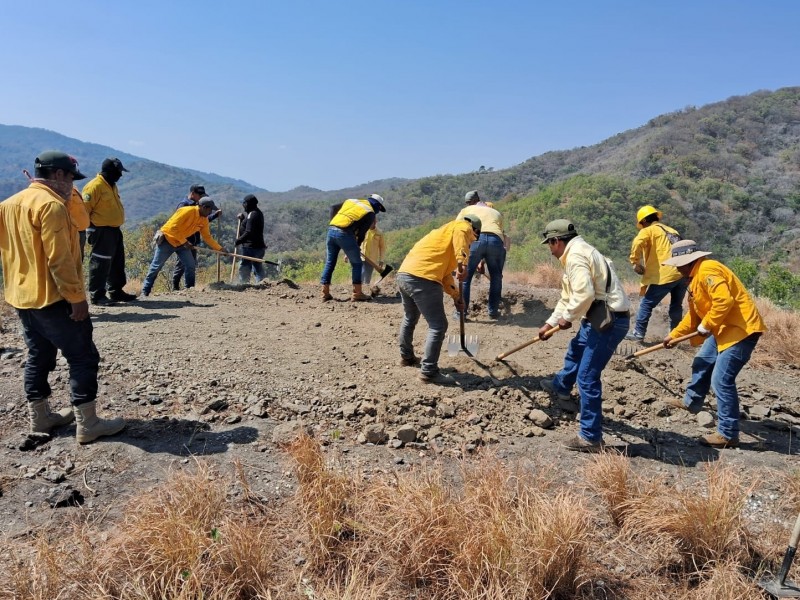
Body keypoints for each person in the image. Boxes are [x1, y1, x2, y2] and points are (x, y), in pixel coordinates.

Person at [0, 151, 125, 443]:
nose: (73, 185)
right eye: (71, 178)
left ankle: (40, 418)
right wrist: (77, 298)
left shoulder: (8, 205)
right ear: (58, 175)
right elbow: (61, 260)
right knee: (83, 356)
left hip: (22, 297)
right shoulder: (52, 207)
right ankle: (88, 423)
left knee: (38, 355)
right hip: (54, 298)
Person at [661, 240, 766, 449]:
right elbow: (693, 317)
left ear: (688, 261)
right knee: (703, 360)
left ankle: (728, 434)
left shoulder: (708, 270)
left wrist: (707, 325)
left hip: (741, 331)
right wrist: (674, 335)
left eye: (678, 264)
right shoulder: (695, 279)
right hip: (722, 330)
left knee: (722, 380)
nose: (677, 268)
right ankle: (692, 401)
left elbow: (723, 301)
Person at [537, 219, 630, 452]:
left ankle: (591, 437)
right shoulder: (579, 252)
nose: (550, 249)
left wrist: (567, 318)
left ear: (557, 241)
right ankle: (561, 386)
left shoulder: (576, 256)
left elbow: (584, 294)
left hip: (609, 320)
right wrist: (550, 322)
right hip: (596, 317)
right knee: (576, 348)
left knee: (587, 377)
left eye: (550, 244)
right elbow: (569, 296)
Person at [396, 215, 480, 384]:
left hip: (405, 275)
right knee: (438, 325)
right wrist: (462, 264)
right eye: (473, 240)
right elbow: (461, 244)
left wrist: (456, 296)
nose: (471, 243)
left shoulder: (442, 236)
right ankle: (428, 372)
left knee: (410, 317)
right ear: (475, 231)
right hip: (423, 279)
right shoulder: (462, 227)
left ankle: (406, 357)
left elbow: (444, 276)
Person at [141, 197, 228, 297]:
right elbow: (172, 228)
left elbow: (207, 237)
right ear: (203, 207)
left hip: (182, 243)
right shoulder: (187, 211)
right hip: (167, 239)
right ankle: (145, 291)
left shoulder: (204, 220)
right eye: (209, 210)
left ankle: (190, 290)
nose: (210, 212)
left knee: (190, 265)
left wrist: (219, 249)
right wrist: (185, 242)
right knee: (156, 266)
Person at [626, 205, 687, 341]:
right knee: (676, 305)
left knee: (647, 303)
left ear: (644, 222)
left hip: (665, 273)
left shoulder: (648, 230)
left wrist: (635, 262)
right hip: (682, 272)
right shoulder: (672, 230)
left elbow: (637, 242)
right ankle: (675, 336)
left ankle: (638, 333)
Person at [82, 157, 136, 305]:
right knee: (101, 262)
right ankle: (97, 295)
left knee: (117, 261)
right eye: (118, 172)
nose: (120, 175)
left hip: (114, 230)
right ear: (109, 171)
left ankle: (116, 291)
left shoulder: (111, 185)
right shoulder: (94, 186)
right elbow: (84, 211)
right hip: (100, 230)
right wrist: (90, 230)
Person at [320, 194, 386, 302]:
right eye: (379, 208)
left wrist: (334, 224)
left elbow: (332, 207)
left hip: (331, 231)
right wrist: (358, 245)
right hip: (345, 234)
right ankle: (357, 293)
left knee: (330, 262)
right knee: (357, 264)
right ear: (377, 205)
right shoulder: (370, 213)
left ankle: (324, 293)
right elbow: (361, 234)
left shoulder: (352, 201)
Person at [455, 190, 506, 319]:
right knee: (496, 277)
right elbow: (499, 234)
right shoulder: (495, 212)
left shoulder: (466, 211)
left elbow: (457, 230)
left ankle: (462, 313)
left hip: (476, 239)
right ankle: (493, 311)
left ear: (471, 202)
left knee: (465, 278)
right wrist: (481, 262)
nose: (467, 205)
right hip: (496, 240)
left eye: (468, 203)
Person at [172, 185, 222, 290]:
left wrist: (214, 215)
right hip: (184, 241)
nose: (201, 198)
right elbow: (177, 225)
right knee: (181, 265)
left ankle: (189, 288)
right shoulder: (184, 205)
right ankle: (175, 287)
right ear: (193, 193)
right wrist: (183, 241)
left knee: (190, 265)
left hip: (193, 241)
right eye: (200, 195)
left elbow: (203, 222)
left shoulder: (198, 205)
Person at [235, 194, 267, 283]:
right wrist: (242, 219)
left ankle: (245, 285)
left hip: (252, 248)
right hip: (255, 247)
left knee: (245, 267)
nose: (243, 205)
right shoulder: (254, 213)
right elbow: (248, 225)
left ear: (248, 204)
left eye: (244, 203)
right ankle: (261, 284)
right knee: (257, 267)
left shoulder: (253, 214)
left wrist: (239, 241)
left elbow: (249, 232)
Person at [360, 216, 386, 285]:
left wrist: (381, 260)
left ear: (375, 222)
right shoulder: (363, 230)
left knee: (367, 276)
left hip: (371, 260)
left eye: (371, 222)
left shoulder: (379, 233)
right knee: (361, 273)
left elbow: (382, 248)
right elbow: (355, 242)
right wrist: (347, 255)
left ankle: (366, 288)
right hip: (361, 256)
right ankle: (358, 289)